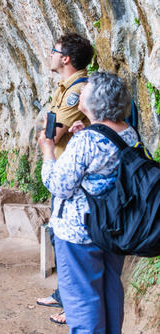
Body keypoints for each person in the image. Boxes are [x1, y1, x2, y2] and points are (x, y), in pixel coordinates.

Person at [37, 71, 136, 332]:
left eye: (86, 89)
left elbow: (59, 185)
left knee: (82, 300)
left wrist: (48, 152)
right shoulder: (129, 133)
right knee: (110, 290)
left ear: (97, 101)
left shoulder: (87, 140)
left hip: (80, 232)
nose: (81, 92)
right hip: (115, 228)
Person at [37, 32, 95, 324]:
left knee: (66, 237)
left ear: (66, 58)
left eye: (53, 50)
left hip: (69, 176)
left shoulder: (77, 90)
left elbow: (52, 132)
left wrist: (45, 139)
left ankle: (71, 303)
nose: (50, 54)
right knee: (58, 234)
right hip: (62, 170)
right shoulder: (66, 87)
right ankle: (64, 294)